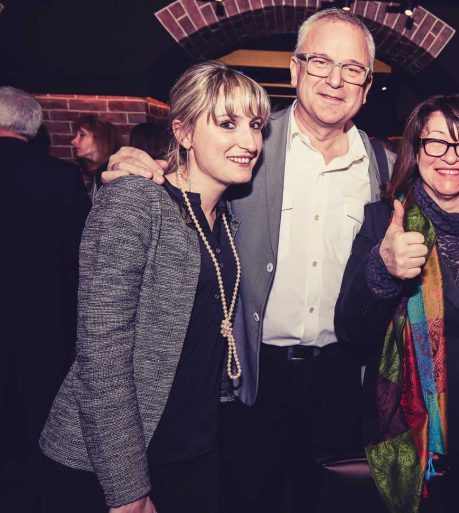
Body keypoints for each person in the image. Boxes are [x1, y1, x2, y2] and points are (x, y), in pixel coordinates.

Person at [102, 9, 389, 512]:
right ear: (295, 69)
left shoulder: (384, 165)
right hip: (250, 376)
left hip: (341, 376)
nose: (335, 79)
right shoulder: (250, 142)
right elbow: (184, 179)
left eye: (352, 69)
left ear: (366, 87)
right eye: (321, 62)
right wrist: (134, 168)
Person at [38, 61, 271, 513]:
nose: (249, 142)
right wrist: (126, 487)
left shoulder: (225, 217)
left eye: (256, 125)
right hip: (112, 461)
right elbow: (101, 353)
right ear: (183, 132)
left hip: (194, 451)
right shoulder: (136, 199)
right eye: (227, 124)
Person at [335, 94, 459, 513]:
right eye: (436, 142)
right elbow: (351, 333)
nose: (449, 157)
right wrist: (382, 269)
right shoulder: (383, 221)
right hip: (414, 437)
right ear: (416, 151)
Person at [0, 86, 90, 513]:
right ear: (34, 129)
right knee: (39, 429)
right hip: (43, 329)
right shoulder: (61, 178)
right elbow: (81, 259)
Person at [71, 114, 119, 196]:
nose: (73, 141)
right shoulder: (99, 171)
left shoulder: (111, 172)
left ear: (100, 138)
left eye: (82, 135)